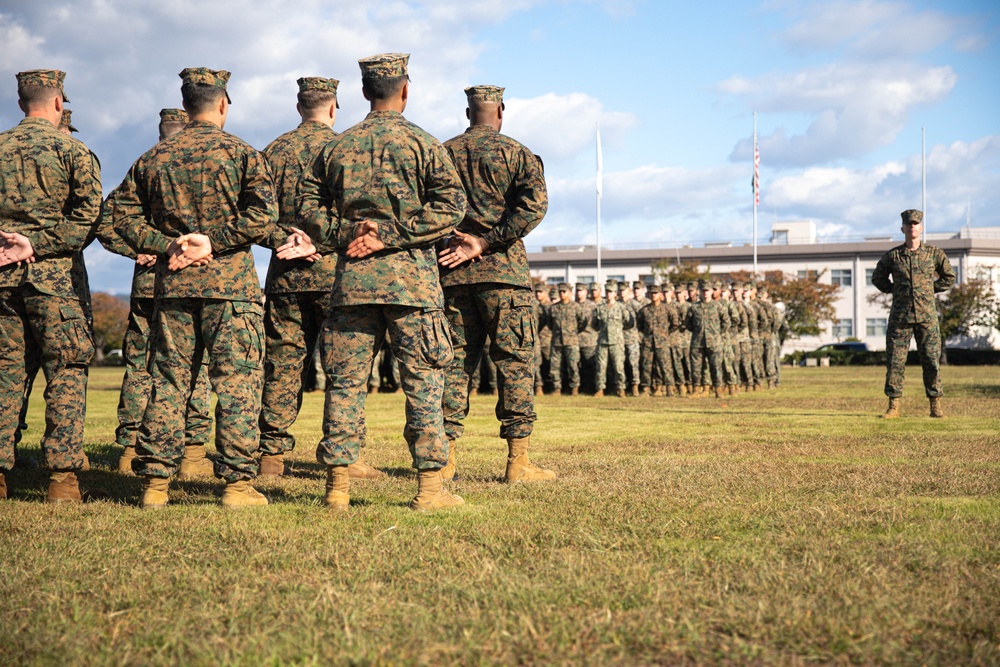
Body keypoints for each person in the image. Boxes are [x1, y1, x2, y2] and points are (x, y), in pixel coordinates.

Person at [292, 53, 467, 511]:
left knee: (345, 386)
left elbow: (306, 204)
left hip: (351, 285)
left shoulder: (336, 147)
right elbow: (452, 207)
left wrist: (349, 234)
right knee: (424, 383)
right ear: (405, 90)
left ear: (365, 92)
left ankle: (337, 490)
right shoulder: (425, 144)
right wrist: (391, 234)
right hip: (412, 287)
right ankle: (430, 491)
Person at [113, 67, 278, 509]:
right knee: (237, 384)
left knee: (168, 382)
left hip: (174, 287)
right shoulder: (244, 154)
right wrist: (216, 241)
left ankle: (155, 486)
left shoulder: (153, 159)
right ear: (223, 103)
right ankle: (237, 487)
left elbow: (120, 217)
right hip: (231, 290)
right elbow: (263, 217)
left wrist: (167, 244)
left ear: (185, 107)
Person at [257, 76, 384, 480]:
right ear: (333, 108)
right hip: (337, 277)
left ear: (299, 108)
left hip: (284, 275)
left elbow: (254, 217)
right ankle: (346, 455)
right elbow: (361, 217)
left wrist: (288, 240)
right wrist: (321, 245)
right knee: (344, 368)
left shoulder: (271, 152)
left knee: (282, 363)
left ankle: (270, 455)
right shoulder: (345, 148)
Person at [437, 84, 554, 483]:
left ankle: (445, 460)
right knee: (515, 364)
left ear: (468, 113)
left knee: (452, 365)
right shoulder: (518, 154)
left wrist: (458, 241)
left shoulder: (442, 152)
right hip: (504, 274)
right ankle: (518, 462)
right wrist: (486, 242)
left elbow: (426, 208)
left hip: (452, 273)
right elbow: (534, 206)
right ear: (500, 110)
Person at [0, 69, 102, 502]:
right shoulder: (73, 150)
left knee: (4, 374)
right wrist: (36, 243)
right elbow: (89, 219)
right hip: (56, 282)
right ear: (59, 102)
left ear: (22, 103)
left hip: (2, 279)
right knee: (66, 373)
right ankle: (62, 481)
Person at [97, 109, 215, 477]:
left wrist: (141, 247)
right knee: (193, 367)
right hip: (194, 281)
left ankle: (130, 448)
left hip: (149, 283)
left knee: (140, 368)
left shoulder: (145, 168)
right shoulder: (207, 165)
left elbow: (107, 220)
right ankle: (192, 453)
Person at [871, 209, 955, 418]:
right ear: (903, 228)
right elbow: (877, 278)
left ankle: (935, 405)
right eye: (909, 224)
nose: (912, 227)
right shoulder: (893, 256)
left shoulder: (934, 254)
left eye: (916, 224)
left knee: (931, 361)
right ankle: (894, 406)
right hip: (901, 317)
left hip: (927, 317)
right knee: (895, 362)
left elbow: (949, 277)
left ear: (921, 227)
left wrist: (929, 289)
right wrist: (895, 289)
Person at [686, 279, 729, 398]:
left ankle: (718, 390)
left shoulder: (718, 307)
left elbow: (726, 322)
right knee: (696, 368)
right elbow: (688, 324)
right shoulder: (694, 308)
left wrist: (717, 334)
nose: (705, 293)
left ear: (711, 291)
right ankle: (696, 391)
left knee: (716, 367)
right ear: (699, 291)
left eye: (707, 290)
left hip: (714, 343)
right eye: (703, 290)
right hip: (697, 343)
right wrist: (697, 332)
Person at [593, 281, 634, 397]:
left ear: (615, 293)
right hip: (603, 341)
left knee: (618, 366)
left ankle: (621, 389)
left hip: (617, 342)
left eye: (611, 292)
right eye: (607, 291)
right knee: (601, 367)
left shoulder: (621, 308)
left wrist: (618, 331)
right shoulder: (599, 308)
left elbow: (629, 322)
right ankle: (600, 389)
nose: (609, 294)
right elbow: (594, 324)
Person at [546, 282, 587, 395]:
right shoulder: (553, 308)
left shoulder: (576, 307)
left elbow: (583, 322)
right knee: (555, 367)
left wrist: (573, 332)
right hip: (557, 341)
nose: (562, 294)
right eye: (560, 292)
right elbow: (550, 324)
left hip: (571, 341)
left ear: (569, 293)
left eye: (564, 292)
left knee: (573, 366)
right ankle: (557, 388)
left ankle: (574, 388)